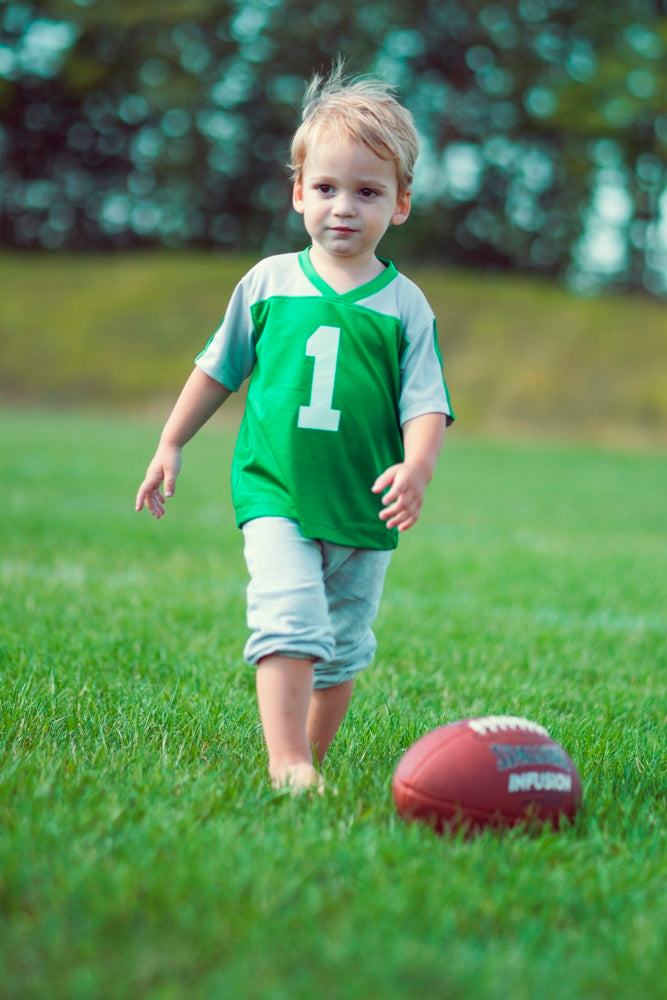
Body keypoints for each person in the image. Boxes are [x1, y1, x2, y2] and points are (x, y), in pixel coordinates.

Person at [135, 63, 454, 793]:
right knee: (289, 618)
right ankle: (286, 764)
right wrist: (171, 441)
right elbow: (218, 368)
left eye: (367, 192)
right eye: (326, 188)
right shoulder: (269, 281)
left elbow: (425, 402)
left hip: (361, 507)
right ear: (297, 193)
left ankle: (308, 761)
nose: (343, 208)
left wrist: (417, 468)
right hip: (276, 493)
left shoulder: (405, 305)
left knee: (341, 651)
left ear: (400, 204)